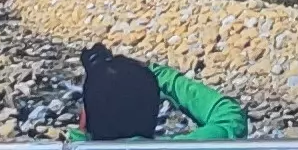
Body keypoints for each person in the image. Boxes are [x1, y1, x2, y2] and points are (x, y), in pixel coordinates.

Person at [70, 45, 246, 142]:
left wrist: (79, 134)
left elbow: (79, 138)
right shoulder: (190, 147)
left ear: (85, 118)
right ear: (154, 114)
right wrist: (154, 73)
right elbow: (229, 115)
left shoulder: (68, 147)